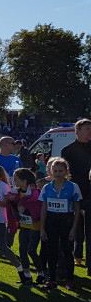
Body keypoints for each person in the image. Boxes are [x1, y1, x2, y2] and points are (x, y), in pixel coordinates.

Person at [39, 157, 83, 291]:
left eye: (60, 171)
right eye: (55, 171)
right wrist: (42, 229)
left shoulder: (73, 187)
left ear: (66, 171)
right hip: (51, 221)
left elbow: (76, 209)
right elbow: (44, 208)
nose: (58, 173)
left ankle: (70, 280)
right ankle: (52, 279)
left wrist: (74, 229)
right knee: (52, 251)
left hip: (67, 220)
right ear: (51, 172)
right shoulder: (47, 187)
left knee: (67, 251)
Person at [59, 118, 91, 273]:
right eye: (87, 129)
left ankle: (89, 266)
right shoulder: (67, 151)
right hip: (75, 195)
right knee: (73, 231)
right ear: (77, 131)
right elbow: (65, 175)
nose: (90, 132)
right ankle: (67, 265)